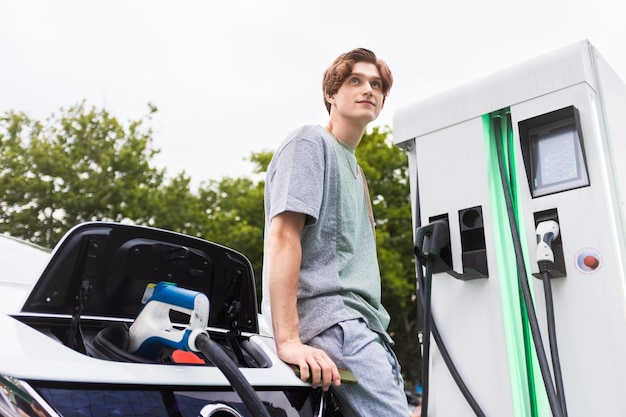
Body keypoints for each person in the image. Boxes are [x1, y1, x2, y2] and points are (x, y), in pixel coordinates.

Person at [261, 48, 410, 416]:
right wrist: (288, 340)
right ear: (331, 94)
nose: (368, 90)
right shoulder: (310, 143)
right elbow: (283, 236)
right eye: (355, 81)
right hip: (335, 323)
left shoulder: (356, 171)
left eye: (376, 84)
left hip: (365, 326)